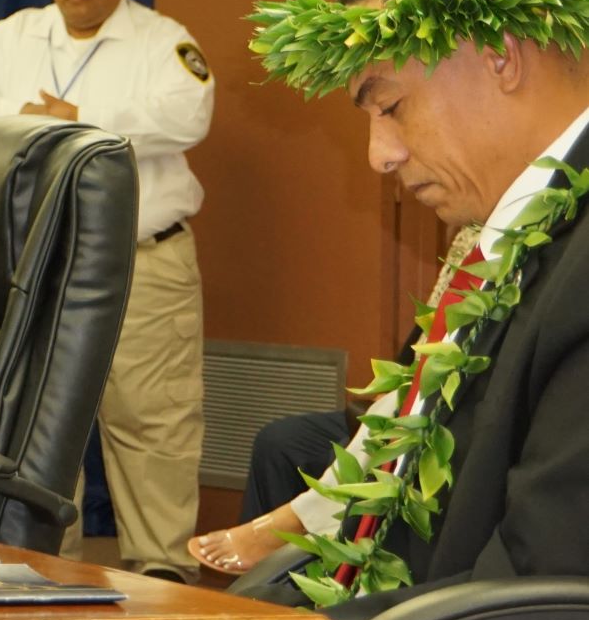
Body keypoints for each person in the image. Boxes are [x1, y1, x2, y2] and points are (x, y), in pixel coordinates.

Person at [244, 0, 589, 620]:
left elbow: (540, 600)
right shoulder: (512, 241)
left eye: (391, 105)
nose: (380, 156)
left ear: (501, 56)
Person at [0, 0, 213, 582]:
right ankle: (45, 582)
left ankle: (164, 583)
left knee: (152, 428)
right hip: (40, 266)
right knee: (40, 428)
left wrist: (79, 122)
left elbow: (188, 115)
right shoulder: (14, 36)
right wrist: (25, 123)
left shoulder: (162, 40)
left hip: (142, 263)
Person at [189, 228, 478, 575]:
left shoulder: (516, 241)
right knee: (280, 441)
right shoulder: (468, 237)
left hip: (447, 410)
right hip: (404, 393)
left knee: (350, 452)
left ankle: (295, 541)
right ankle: (266, 584)